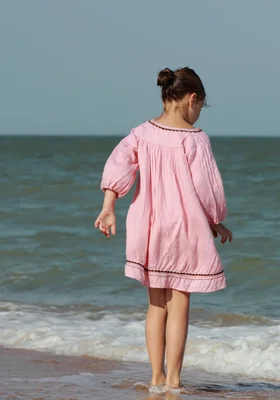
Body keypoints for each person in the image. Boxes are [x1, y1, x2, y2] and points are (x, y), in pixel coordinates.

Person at [94, 67, 232, 393]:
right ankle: (174, 379)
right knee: (180, 301)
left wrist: (108, 207)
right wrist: (215, 218)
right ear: (191, 99)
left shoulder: (140, 133)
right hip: (183, 226)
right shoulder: (195, 138)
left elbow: (119, 165)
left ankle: (155, 377)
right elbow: (206, 186)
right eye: (200, 107)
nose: (199, 114)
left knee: (156, 304)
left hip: (148, 224)